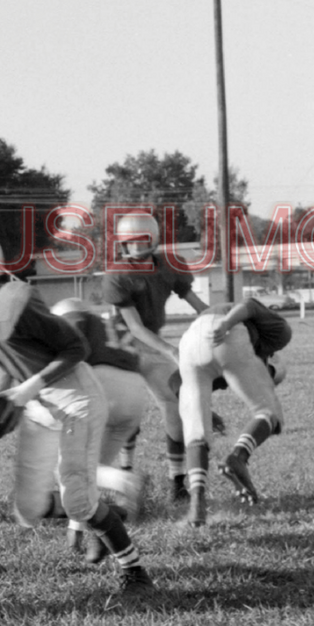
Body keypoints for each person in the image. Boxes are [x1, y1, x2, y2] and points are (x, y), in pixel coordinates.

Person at [0, 233, 152, 593]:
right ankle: (106, 518)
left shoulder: (17, 301)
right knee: (29, 508)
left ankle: (134, 571)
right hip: (37, 403)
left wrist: (26, 390)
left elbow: (76, 347)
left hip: (74, 398)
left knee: (78, 500)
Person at [102, 210, 209, 505]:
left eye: (138, 240)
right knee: (128, 413)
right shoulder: (118, 274)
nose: (132, 246)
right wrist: (172, 350)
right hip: (121, 347)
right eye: (128, 241)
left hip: (152, 344)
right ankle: (126, 473)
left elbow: (197, 302)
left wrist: (217, 319)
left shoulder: (169, 264)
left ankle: (177, 480)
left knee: (174, 405)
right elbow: (134, 327)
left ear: (152, 239)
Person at [50, 298, 150, 561]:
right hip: (135, 392)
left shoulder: (76, 321)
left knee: (66, 468)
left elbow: (67, 357)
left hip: (102, 386)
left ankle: (125, 481)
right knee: (88, 474)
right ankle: (82, 535)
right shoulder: (109, 324)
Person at [177, 296, 292, 524]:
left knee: (196, 432)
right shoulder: (279, 334)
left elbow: (175, 384)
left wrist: (201, 410)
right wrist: (227, 323)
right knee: (270, 414)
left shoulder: (237, 364)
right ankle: (238, 457)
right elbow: (249, 304)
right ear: (271, 358)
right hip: (228, 333)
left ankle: (197, 502)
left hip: (189, 344)